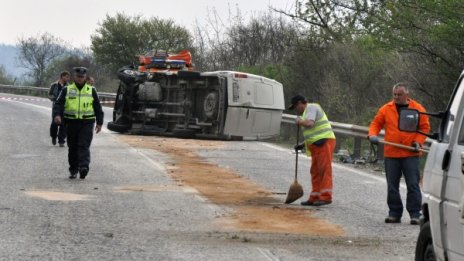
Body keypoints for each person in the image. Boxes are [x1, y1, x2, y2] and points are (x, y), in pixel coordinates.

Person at [368, 83, 430, 225]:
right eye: (394, 94)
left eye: (399, 94)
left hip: (411, 154)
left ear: (406, 95)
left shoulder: (418, 109)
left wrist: (418, 142)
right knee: (392, 186)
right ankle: (394, 213)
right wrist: (372, 135)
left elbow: (425, 127)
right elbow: (376, 124)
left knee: (413, 185)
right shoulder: (386, 109)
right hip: (392, 154)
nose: (396, 97)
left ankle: (415, 214)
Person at [53, 67, 104, 179]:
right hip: (71, 123)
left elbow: (98, 107)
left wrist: (99, 123)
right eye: (78, 76)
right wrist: (57, 115)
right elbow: (58, 104)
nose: (80, 79)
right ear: (74, 77)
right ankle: (73, 169)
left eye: (82, 77)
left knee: (84, 145)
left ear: (85, 77)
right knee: (73, 147)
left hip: (87, 123)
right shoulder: (67, 89)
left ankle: (83, 167)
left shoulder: (91, 90)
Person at [289, 94, 336, 206]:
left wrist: (299, 121)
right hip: (316, 144)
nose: (296, 110)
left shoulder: (311, 107)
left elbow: (310, 124)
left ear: (300, 103)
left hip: (324, 142)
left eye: (296, 106)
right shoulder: (306, 112)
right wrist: (302, 145)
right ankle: (314, 197)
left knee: (324, 170)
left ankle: (325, 197)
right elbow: (313, 133)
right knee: (315, 171)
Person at [48, 71, 70, 147]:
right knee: (54, 124)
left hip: (65, 107)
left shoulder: (68, 86)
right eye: (67, 77)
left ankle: (61, 141)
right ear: (62, 76)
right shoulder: (54, 85)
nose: (68, 78)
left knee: (64, 125)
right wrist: (54, 99)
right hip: (56, 107)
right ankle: (54, 137)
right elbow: (50, 94)